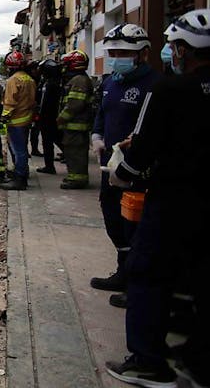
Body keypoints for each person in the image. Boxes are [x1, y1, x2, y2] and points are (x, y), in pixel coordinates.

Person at [105, 10, 210, 387]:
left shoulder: (167, 89)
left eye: (174, 46)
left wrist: (123, 171)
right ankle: (199, 358)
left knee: (148, 275)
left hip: (173, 200)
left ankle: (148, 362)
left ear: (185, 49)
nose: (171, 52)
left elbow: (143, 150)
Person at [89, 24, 160, 304]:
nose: (116, 57)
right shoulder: (110, 82)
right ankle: (123, 269)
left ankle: (136, 283)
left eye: (122, 53)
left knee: (137, 226)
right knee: (112, 218)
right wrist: (96, 136)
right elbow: (102, 115)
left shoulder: (154, 85)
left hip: (138, 170)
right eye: (113, 52)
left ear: (142, 54)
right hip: (110, 167)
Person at [0, 51, 37, 191]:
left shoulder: (13, 80)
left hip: (16, 121)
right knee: (22, 149)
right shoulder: (29, 79)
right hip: (26, 118)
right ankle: (21, 174)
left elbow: (10, 102)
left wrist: (4, 117)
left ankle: (20, 179)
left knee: (18, 151)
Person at [57, 50, 93, 189]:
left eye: (66, 64)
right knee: (72, 152)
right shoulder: (79, 79)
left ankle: (78, 179)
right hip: (74, 125)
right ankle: (74, 176)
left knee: (76, 153)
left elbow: (75, 105)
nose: (64, 67)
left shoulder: (79, 80)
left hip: (76, 125)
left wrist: (61, 118)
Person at [36, 59, 62, 174]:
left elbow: (49, 103)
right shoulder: (47, 82)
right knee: (50, 141)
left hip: (49, 117)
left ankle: (49, 166)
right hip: (46, 117)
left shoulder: (53, 84)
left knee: (49, 142)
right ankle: (49, 164)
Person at [26, 61, 44, 156]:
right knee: (28, 130)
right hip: (29, 108)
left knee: (35, 130)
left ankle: (34, 149)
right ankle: (28, 150)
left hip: (36, 107)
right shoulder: (30, 80)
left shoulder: (39, 79)